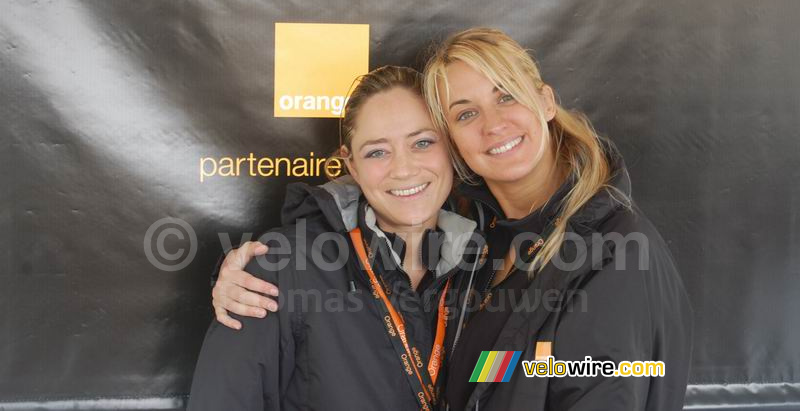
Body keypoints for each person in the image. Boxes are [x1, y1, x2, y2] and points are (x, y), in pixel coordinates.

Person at [212, 28, 693, 410]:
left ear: (546, 101)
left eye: (507, 96)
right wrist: (256, 271)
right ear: (351, 165)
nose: (493, 125)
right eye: (465, 114)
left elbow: (597, 379)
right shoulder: (488, 253)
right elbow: (504, 372)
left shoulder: (616, 254)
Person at [188, 66, 480, 411]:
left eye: (423, 142)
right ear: (352, 165)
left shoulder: (485, 265)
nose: (404, 168)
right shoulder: (277, 270)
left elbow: (508, 377)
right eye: (377, 152)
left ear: (451, 148)